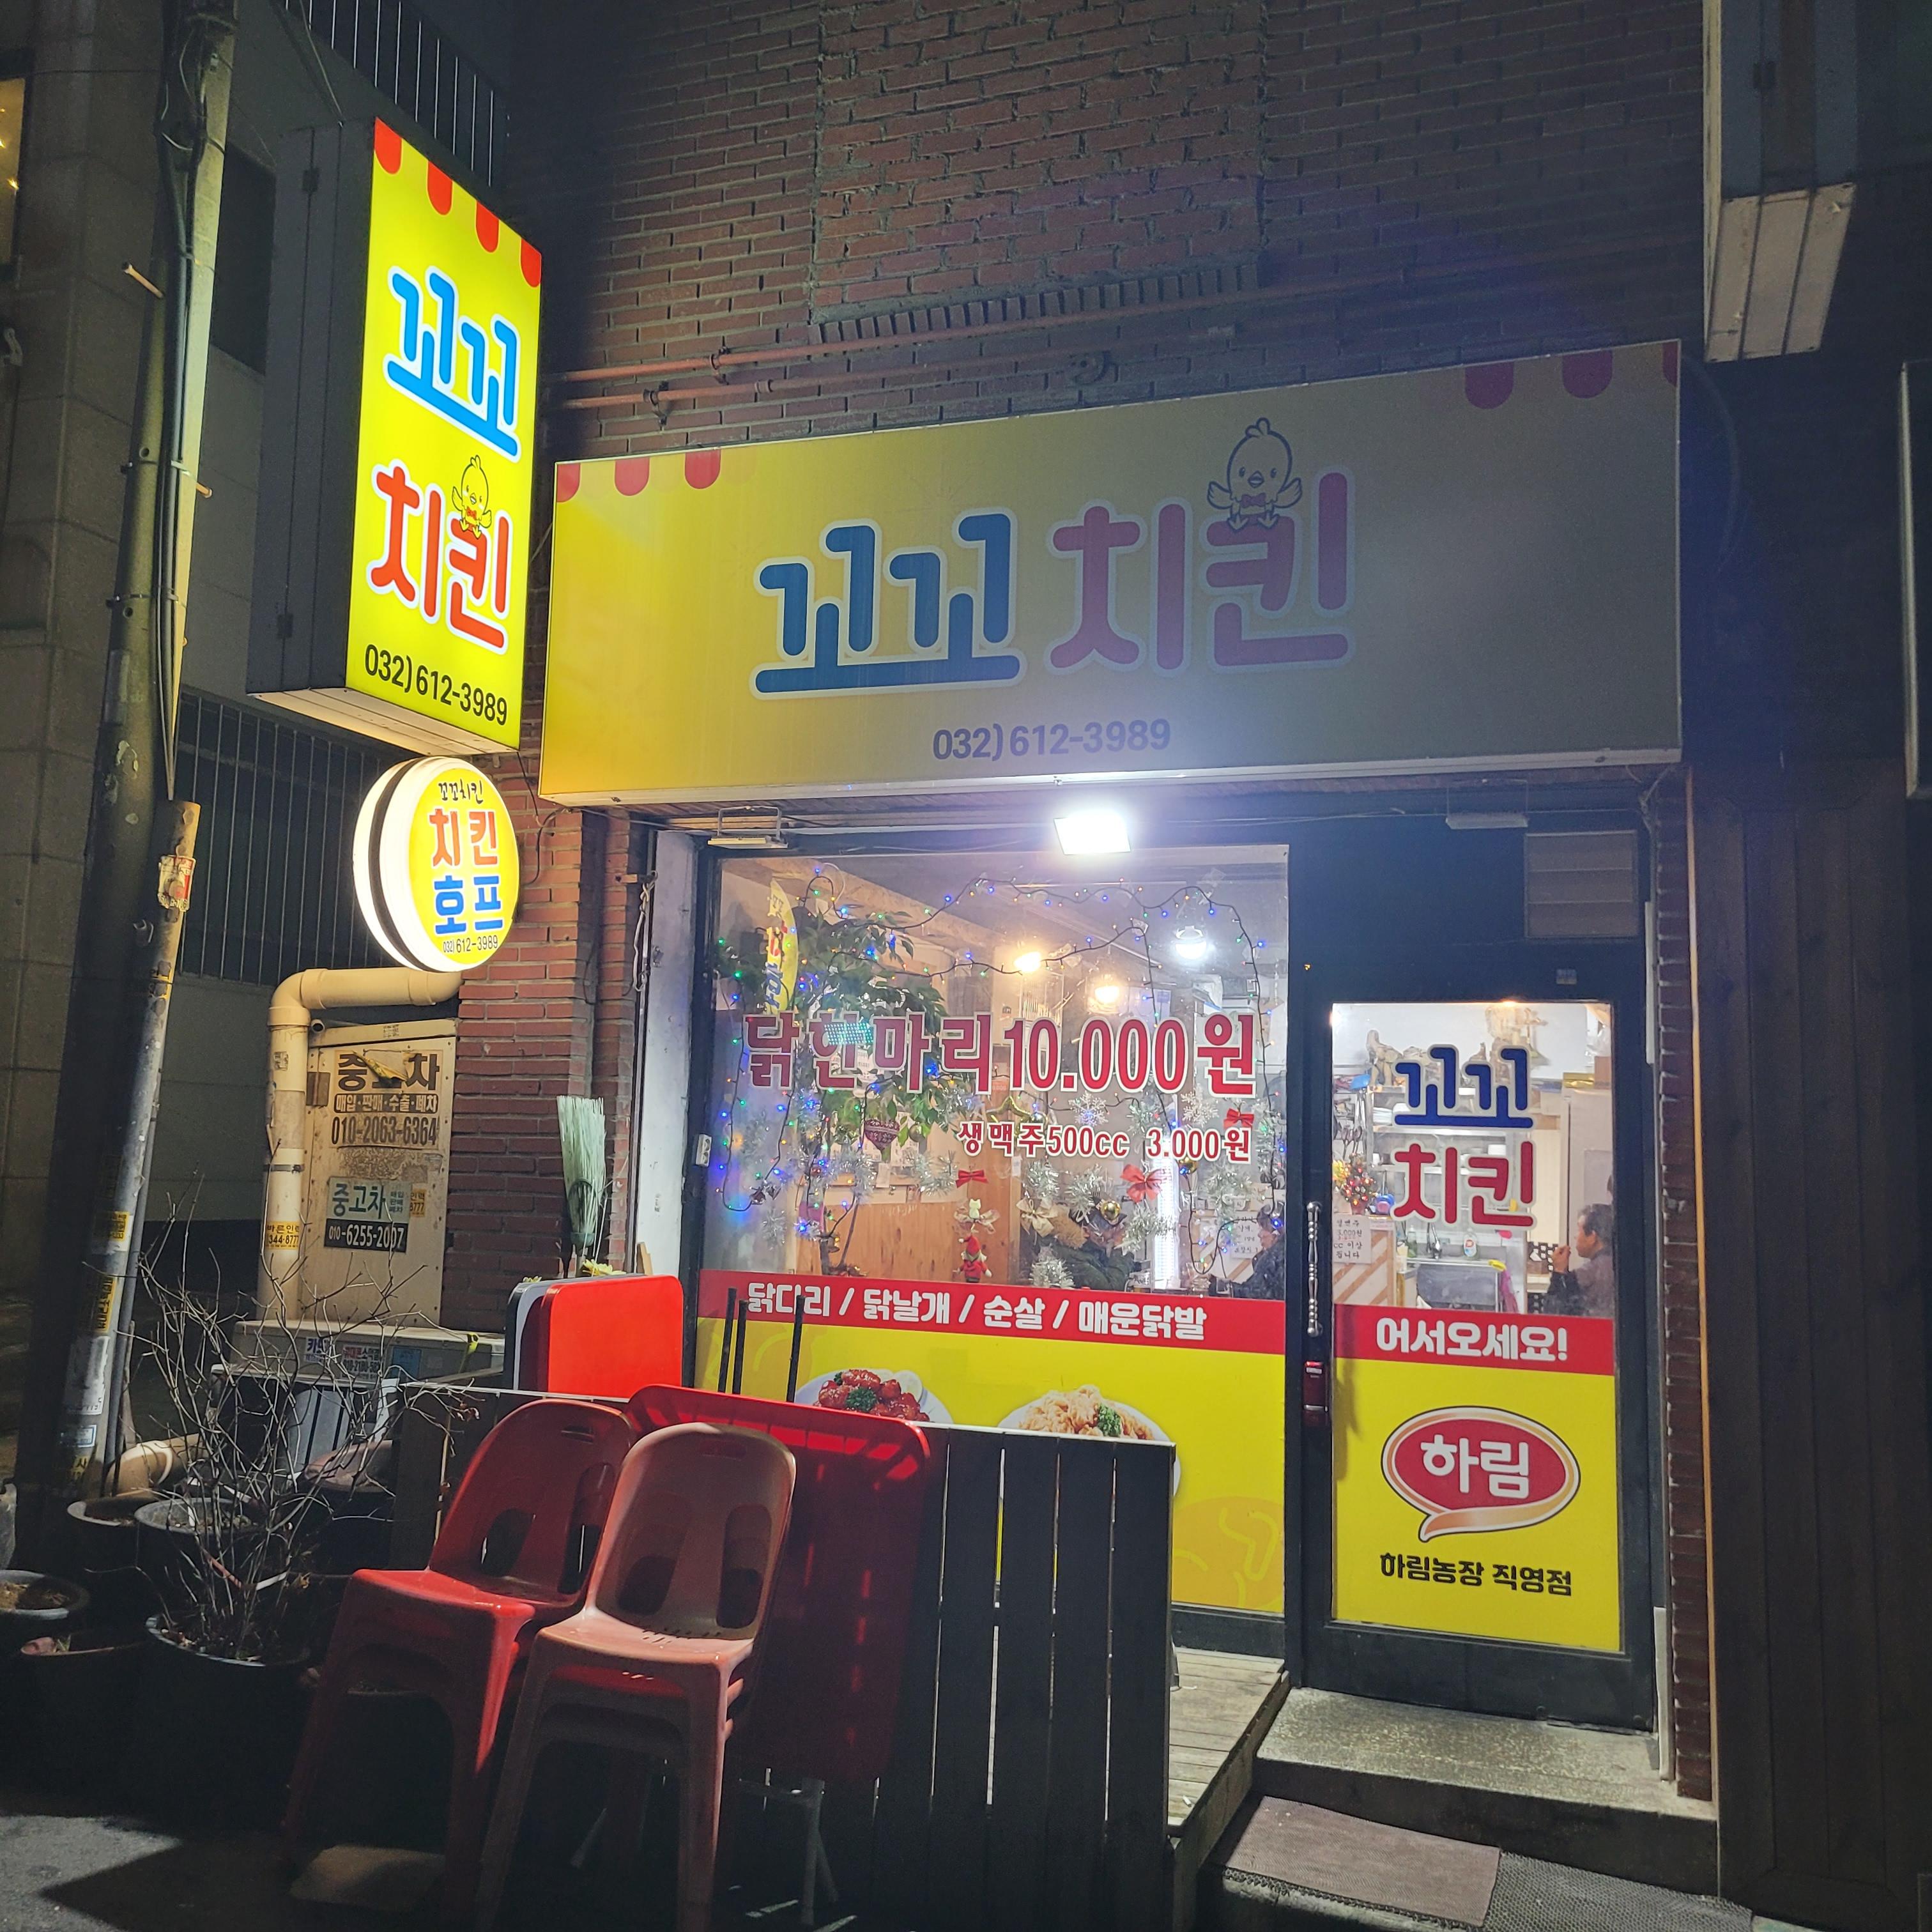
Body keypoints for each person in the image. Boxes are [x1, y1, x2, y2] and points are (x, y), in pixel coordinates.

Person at [1545, 1204, 1615, 1316]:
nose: (1576, 1237)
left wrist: (1559, 1272)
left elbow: (1555, 1314)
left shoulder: (1587, 1275)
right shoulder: (1620, 1265)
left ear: (1592, 1237)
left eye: (1579, 1230)